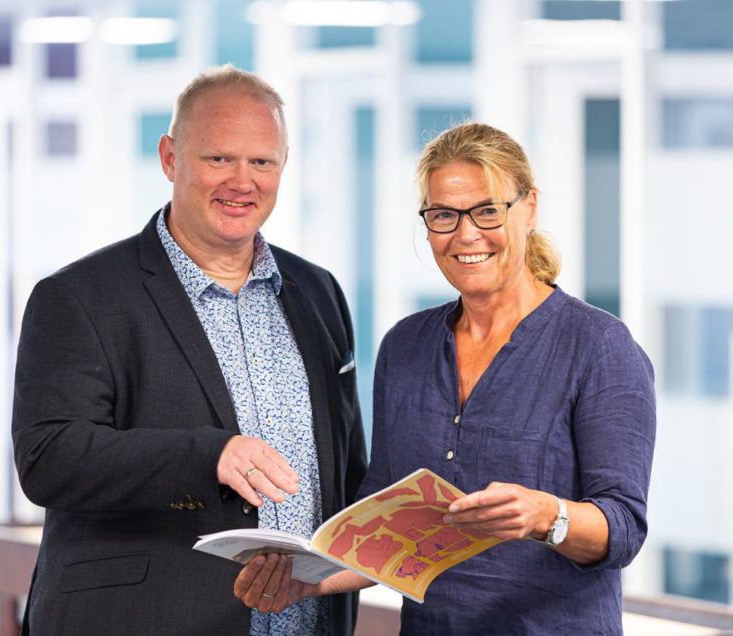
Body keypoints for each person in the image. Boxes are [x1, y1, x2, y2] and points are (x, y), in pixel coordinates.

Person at [234, 122, 656, 635]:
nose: (466, 235)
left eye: (486, 210)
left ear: (528, 209)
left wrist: (546, 516)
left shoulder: (598, 346)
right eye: (443, 216)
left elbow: (623, 530)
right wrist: (308, 579)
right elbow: (384, 533)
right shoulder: (405, 346)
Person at [11, 65, 367, 636]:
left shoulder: (319, 293)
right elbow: (48, 458)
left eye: (262, 161)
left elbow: (348, 471)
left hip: (307, 622)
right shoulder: (79, 297)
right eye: (219, 159)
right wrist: (207, 456)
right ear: (170, 158)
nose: (242, 182)